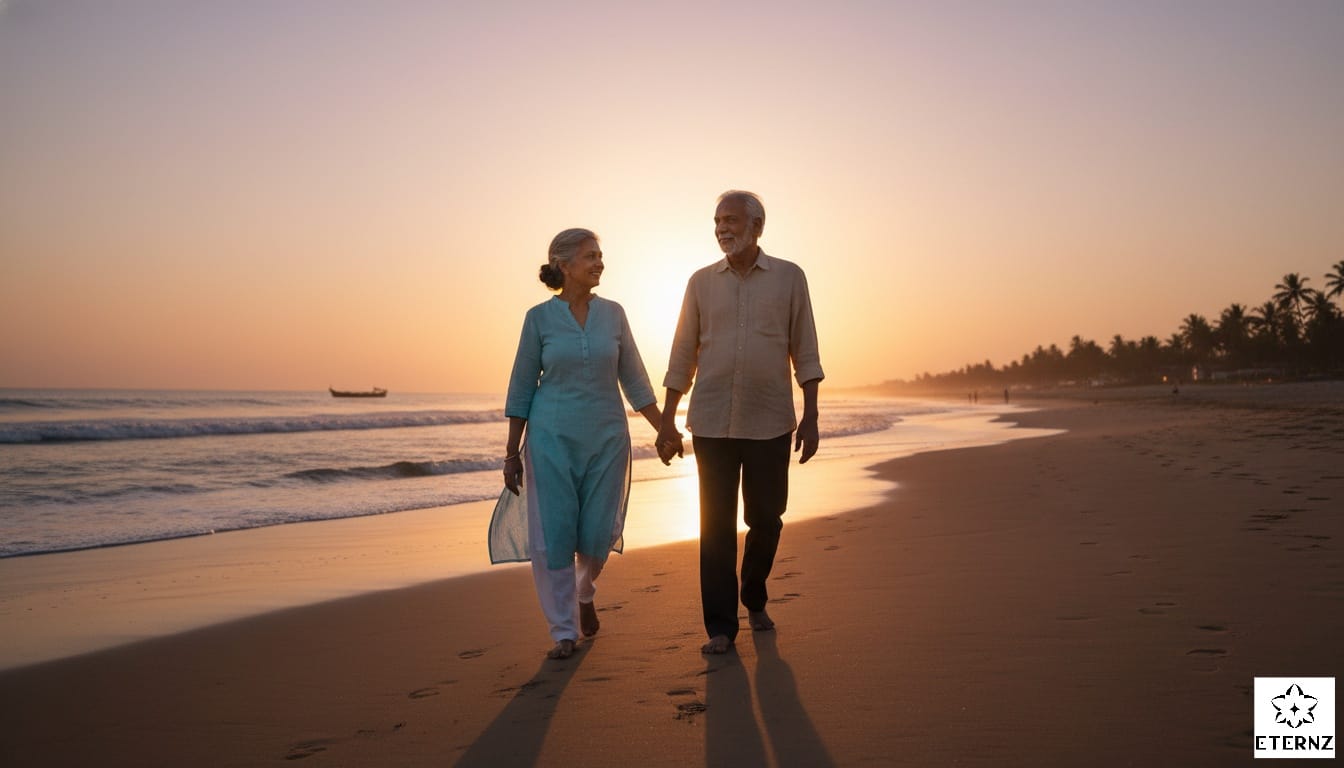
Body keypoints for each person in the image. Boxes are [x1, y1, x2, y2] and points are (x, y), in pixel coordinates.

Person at [656, 190, 824, 655]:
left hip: (771, 420)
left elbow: (805, 349)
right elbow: (682, 353)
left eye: (730, 219)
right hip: (710, 420)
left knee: (766, 518)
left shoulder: (790, 277)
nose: (721, 228)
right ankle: (720, 629)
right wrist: (668, 420)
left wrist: (810, 416)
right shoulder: (699, 282)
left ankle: (753, 592)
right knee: (714, 527)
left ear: (757, 225)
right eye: (716, 221)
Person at [501, 228, 662, 660]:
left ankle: (584, 590)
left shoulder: (614, 314)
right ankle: (563, 631)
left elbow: (634, 377)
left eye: (600, 255)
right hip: (550, 436)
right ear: (563, 264)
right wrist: (512, 451)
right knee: (555, 534)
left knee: (597, 533)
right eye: (591, 256)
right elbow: (521, 385)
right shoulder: (538, 319)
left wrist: (663, 427)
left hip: (607, 436)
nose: (600, 263)